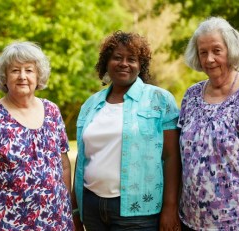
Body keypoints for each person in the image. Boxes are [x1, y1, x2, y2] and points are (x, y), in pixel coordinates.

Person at [72, 30, 181, 231]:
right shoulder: (90, 104)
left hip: (138, 212)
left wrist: (170, 207)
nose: (124, 63)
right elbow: (81, 158)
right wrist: (76, 210)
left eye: (132, 59)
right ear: (106, 62)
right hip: (91, 207)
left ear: (141, 66)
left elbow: (172, 156)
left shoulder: (159, 100)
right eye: (117, 58)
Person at [178, 16, 239, 231]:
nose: (209, 59)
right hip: (193, 222)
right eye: (203, 52)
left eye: (216, 50)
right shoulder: (191, 96)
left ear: (231, 50)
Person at [0, 41, 74, 230]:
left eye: (29, 70)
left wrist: (68, 214)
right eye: (15, 70)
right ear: (4, 77)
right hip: (9, 224)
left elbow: (63, 165)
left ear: (38, 74)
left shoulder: (52, 111)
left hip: (56, 223)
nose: (22, 76)